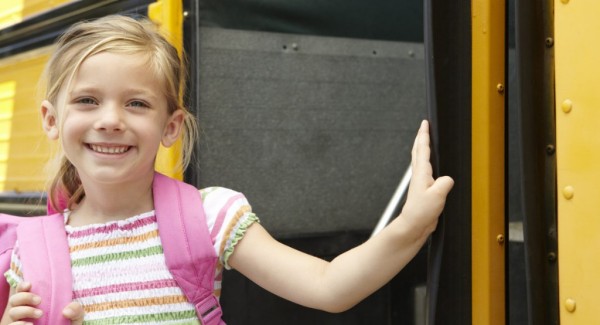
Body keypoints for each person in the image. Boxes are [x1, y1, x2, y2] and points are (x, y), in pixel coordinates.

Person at [1, 15, 453, 324]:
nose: (110, 119)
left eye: (137, 103)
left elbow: (328, 286)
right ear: (50, 120)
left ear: (171, 126)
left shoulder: (209, 216)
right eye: (87, 100)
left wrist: (411, 226)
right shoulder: (29, 252)